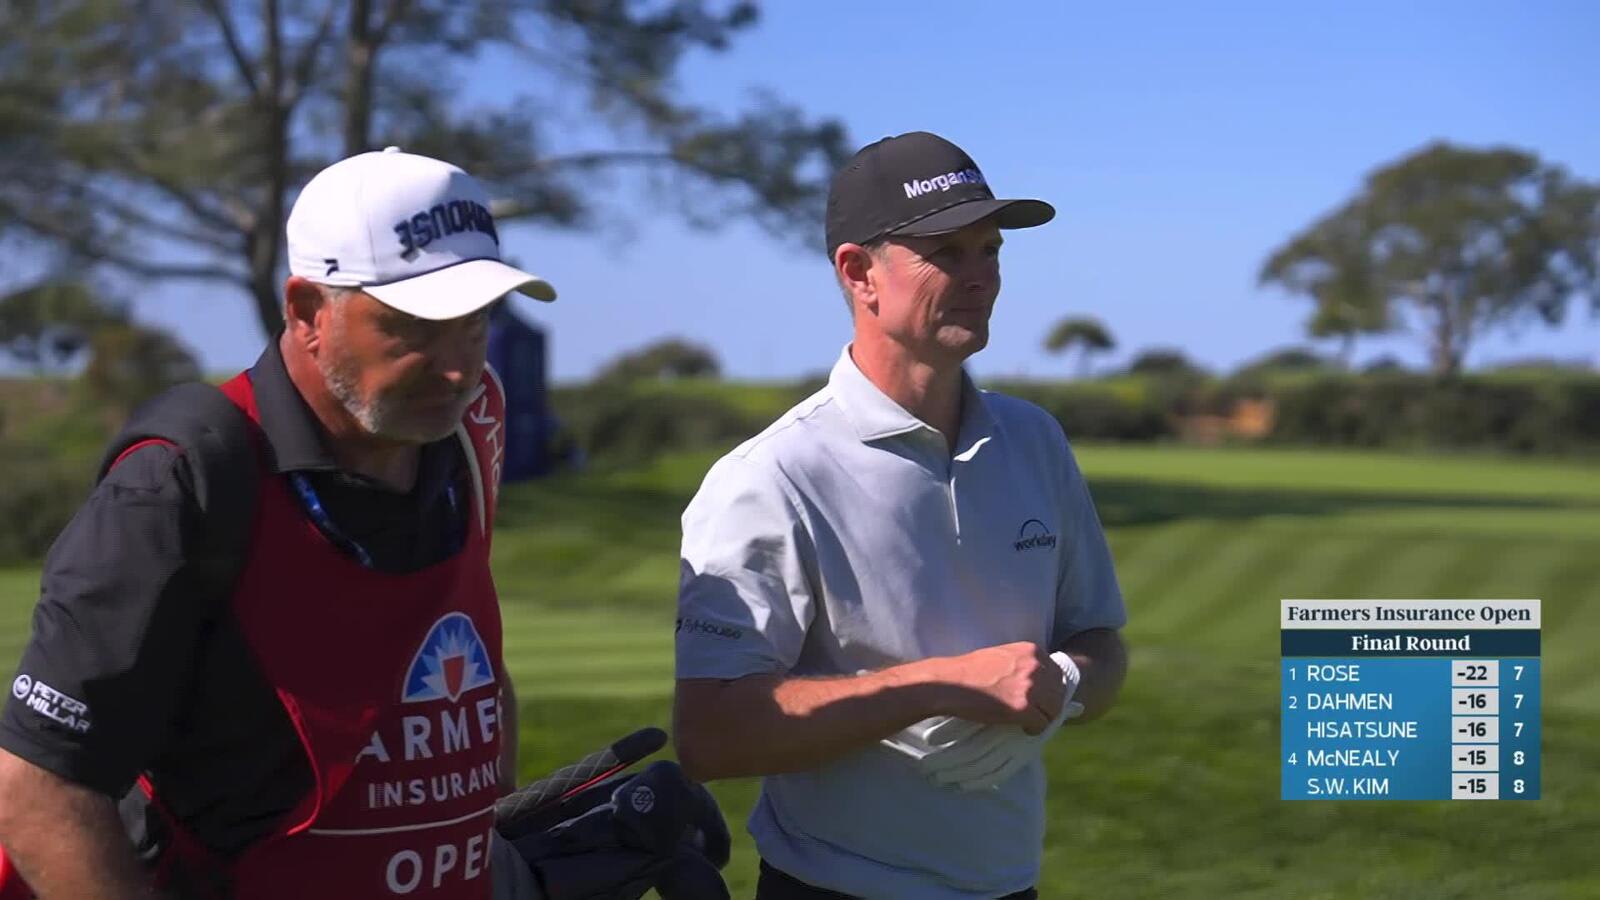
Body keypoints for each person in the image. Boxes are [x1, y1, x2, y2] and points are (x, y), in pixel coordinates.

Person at [0, 148, 554, 898]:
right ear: (306, 313)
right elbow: (39, 786)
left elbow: (471, 661)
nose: (456, 367)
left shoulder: (470, 420)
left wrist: (495, 847)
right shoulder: (183, 477)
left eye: (473, 322)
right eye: (412, 328)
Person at [672, 131, 1130, 900]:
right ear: (859, 273)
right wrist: (941, 685)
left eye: (991, 250)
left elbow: (1101, 645)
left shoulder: (1035, 440)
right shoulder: (772, 474)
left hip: (1010, 885)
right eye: (947, 252)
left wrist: (1060, 684)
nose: (981, 277)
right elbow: (711, 735)